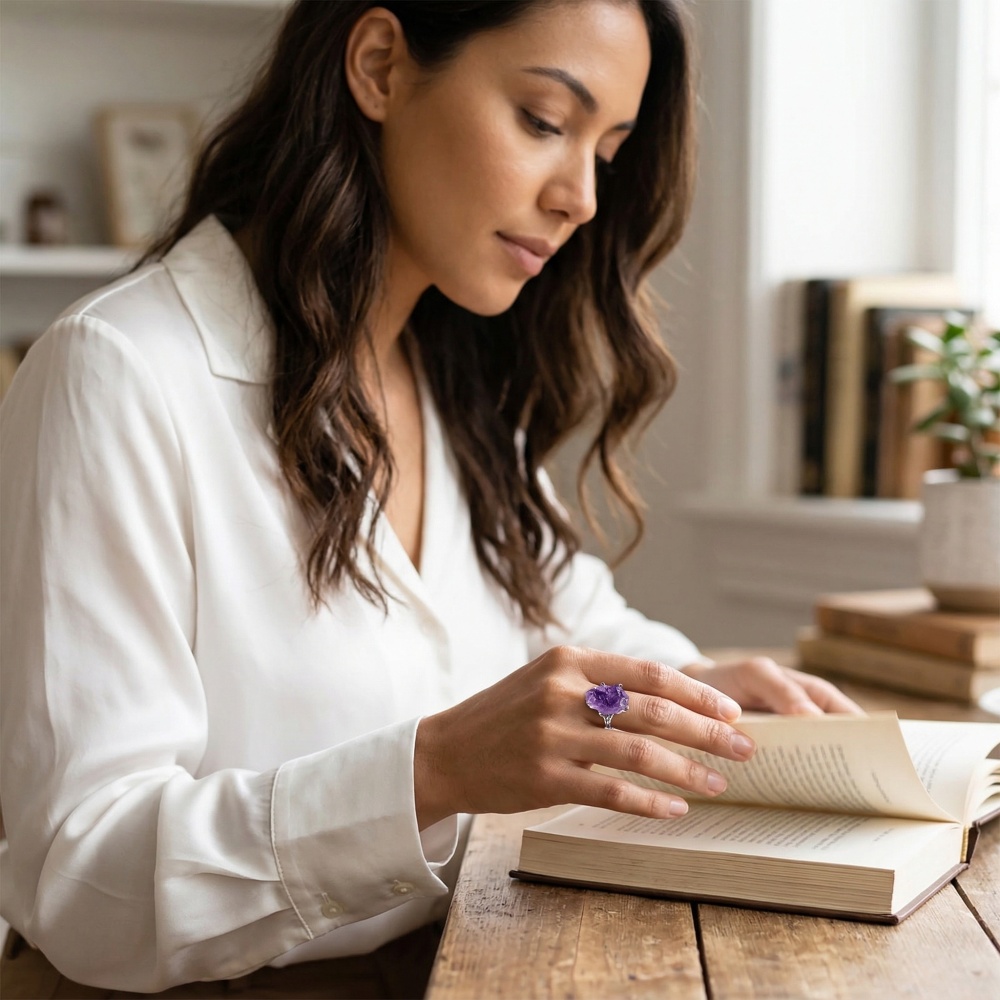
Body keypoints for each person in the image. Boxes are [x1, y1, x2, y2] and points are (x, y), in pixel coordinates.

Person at [0, 2, 860, 997]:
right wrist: (432, 770)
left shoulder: (456, 385)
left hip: (465, 962)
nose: (581, 198)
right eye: (544, 120)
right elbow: (83, 877)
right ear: (379, 66)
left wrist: (692, 685)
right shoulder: (120, 373)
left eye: (606, 153)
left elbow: (566, 621)